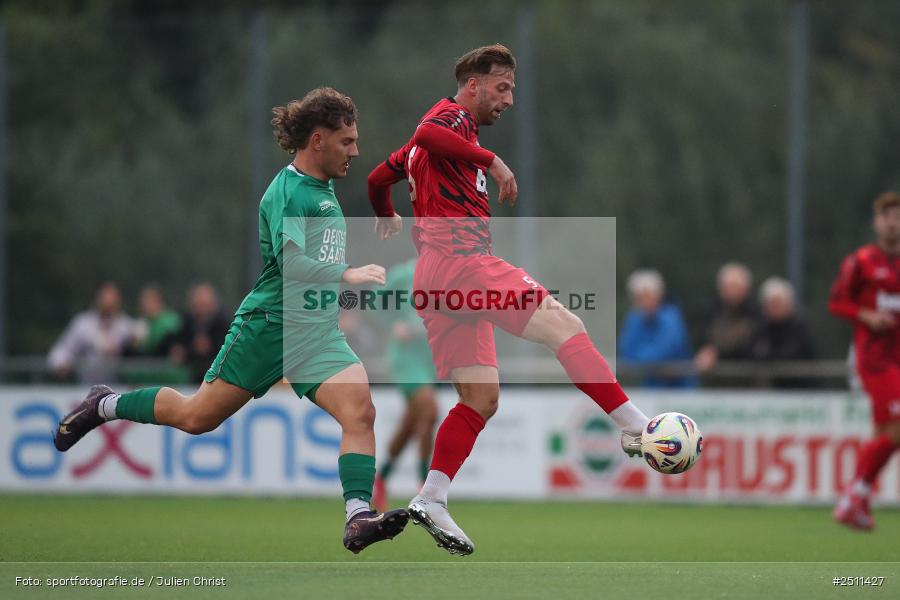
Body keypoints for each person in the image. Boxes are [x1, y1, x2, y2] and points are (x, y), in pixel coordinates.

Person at [53, 87, 409, 553]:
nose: (356, 151)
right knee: (196, 416)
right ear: (318, 140)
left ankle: (358, 517)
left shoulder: (321, 188)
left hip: (315, 334)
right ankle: (103, 404)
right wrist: (348, 273)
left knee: (360, 410)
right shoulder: (288, 191)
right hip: (267, 326)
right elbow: (292, 264)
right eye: (347, 141)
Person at [367, 44, 650, 556]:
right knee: (565, 326)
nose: (510, 100)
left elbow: (376, 176)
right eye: (502, 88)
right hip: (461, 263)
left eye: (513, 89)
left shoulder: (445, 142)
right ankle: (635, 427)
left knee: (481, 399)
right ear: (473, 84)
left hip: (435, 281)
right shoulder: (449, 118)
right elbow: (425, 133)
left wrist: (385, 210)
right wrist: (492, 161)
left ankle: (432, 497)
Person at [829, 190, 900, 531]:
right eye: (888, 216)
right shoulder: (861, 261)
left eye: (898, 216)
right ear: (876, 223)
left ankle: (855, 500)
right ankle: (854, 496)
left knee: (885, 433)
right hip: (875, 360)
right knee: (896, 430)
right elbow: (836, 303)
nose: (893, 222)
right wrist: (866, 316)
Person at [371, 259, 439, 513]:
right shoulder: (405, 274)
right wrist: (392, 325)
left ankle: (381, 479)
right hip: (406, 357)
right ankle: (426, 490)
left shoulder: (450, 275)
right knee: (430, 412)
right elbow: (376, 302)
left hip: (428, 357)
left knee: (412, 423)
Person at [618, 269, 695, 388]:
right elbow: (626, 350)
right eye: (639, 297)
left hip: (678, 388)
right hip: (646, 388)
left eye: (647, 296)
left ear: (658, 296)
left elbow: (667, 350)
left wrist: (640, 362)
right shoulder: (634, 319)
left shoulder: (671, 317)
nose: (643, 301)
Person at [48, 282, 135, 383]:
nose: (108, 305)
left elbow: (141, 343)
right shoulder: (83, 324)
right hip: (87, 386)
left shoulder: (126, 326)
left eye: (112, 303)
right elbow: (62, 349)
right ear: (98, 301)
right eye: (105, 301)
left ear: (118, 303)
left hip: (118, 387)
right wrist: (61, 363)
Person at [749, 277, 815, 388]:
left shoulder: (800, 327)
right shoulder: (760, 327)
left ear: (789, 304)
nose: (775, 308)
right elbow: (753, 352)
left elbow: (792, 355)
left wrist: (769, 357)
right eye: (771, 304)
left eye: (778, 303)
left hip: (800, 387)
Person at [693, 262, 758, 374]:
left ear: (745, 289)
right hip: (715, 383)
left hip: (747, 383)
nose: (732, 292)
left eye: (735, 287)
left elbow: (753, 351)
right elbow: (700, 342)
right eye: (728, 287)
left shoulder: (756, 315)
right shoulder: (710, 313)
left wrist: (717, 354)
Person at [169, 282, 230, 382]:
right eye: (199, 305)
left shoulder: (223, 323)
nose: (203, 310)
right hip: (191, 378)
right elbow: (177, 345)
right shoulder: (186, 321)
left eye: (206, 305)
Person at [133, 284, 182, 356]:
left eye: (146, 300)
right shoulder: (145, 323)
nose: (143, 305)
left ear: (158, 300)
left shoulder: (170, 321)